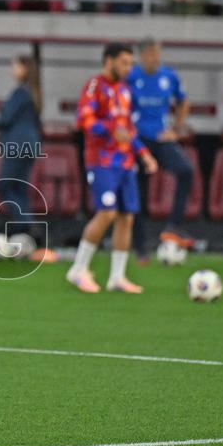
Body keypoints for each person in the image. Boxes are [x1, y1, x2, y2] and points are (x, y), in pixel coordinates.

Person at [66, 43, 158, 294]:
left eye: (130, 63)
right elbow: (84, 121)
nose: (129, 68)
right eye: (124, 62)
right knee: (106, 213)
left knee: (126, 216)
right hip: (102, 161)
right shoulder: (95, 86)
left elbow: (127, 130)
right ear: (109, 61)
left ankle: (117, 276)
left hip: (125, 162)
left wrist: (144, 154)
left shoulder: (125, 91)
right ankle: (78, 268)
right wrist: (108, 128)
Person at [127, 39, 196, 260]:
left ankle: (174, 225)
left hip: (161, 137)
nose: (155, 58)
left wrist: (176, 128)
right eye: (150, 54)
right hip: (138, 141)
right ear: (141, 55)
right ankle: (140, 246)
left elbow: (184, 101)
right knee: (139, 193)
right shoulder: (131, 77)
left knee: (186, 171)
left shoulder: (169, 76)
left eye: (158, 54)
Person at [0, 55, 42, 237]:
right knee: (19, 189)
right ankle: (27, 227)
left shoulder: (20, 93)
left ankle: (26, 224)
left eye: (14, 66)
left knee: (3, 187)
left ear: (24, 69)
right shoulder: (33, 93)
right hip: (30, 145)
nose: (11, 70)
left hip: (17, 146)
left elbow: (4, 119)